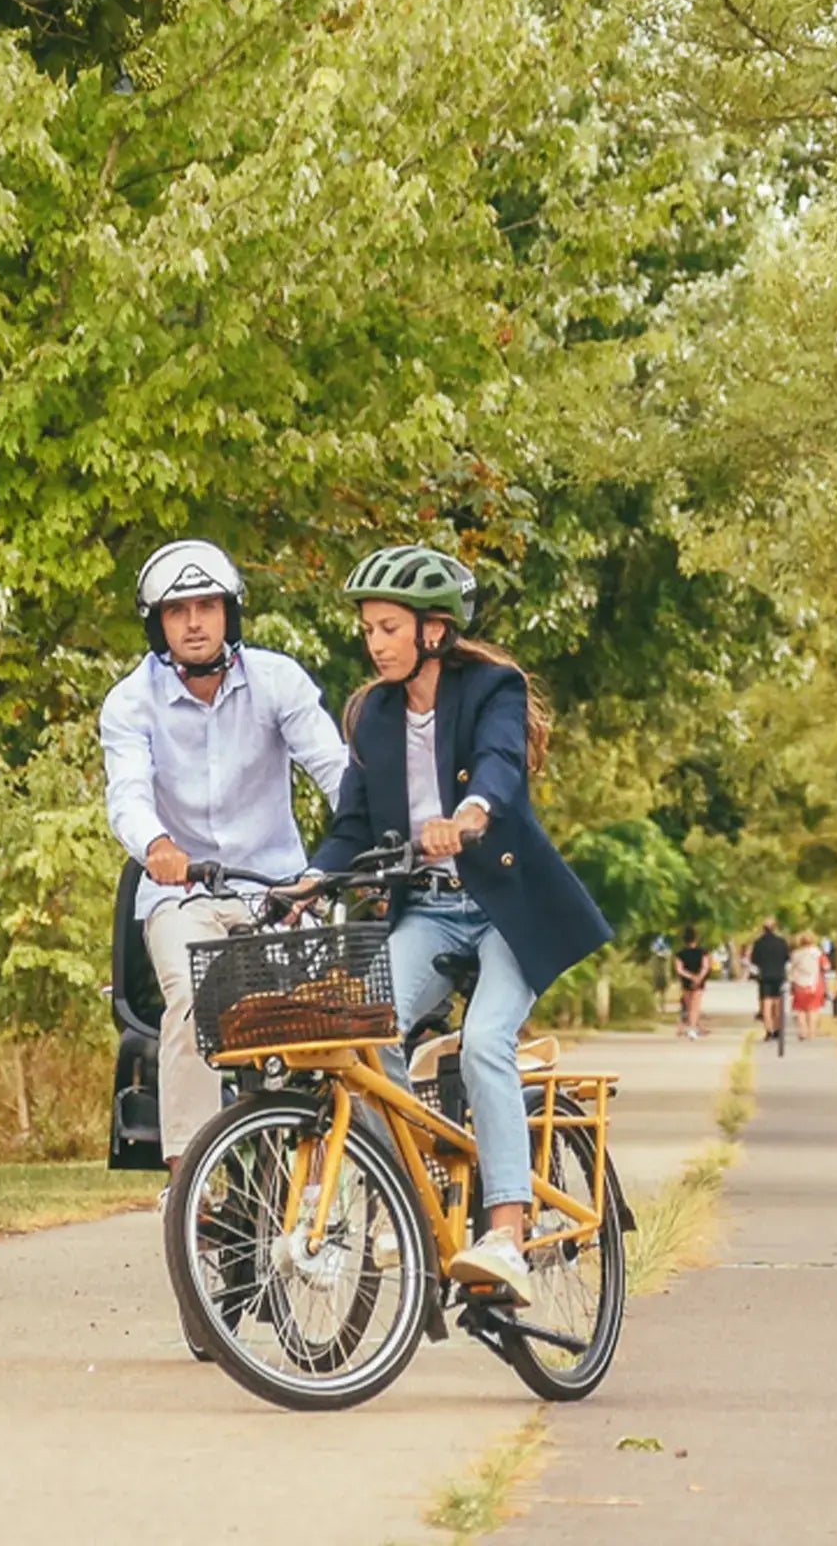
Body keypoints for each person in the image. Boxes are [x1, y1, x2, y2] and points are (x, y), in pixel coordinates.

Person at [297, 544, 612, 1306]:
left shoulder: (490, 688)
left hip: (508, 910)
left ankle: (505, 1230)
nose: (375, 644)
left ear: (433, 632)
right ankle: (418, 1184)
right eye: (369, 629)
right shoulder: (372, 714)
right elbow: (353, 825)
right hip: (430, 913)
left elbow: (501, 763)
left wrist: (469, 815)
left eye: (389, 627)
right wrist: (308, 880)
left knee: (483, 1044)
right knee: (365, 1034)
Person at [99, 540, 347, 1181]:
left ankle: (325, 1172)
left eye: (207, 605)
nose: (194, 623)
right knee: (192, 997)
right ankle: (191, 1181)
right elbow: (126, 794)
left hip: (282, 892)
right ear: (158, 624)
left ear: (230, 613)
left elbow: (336, 769)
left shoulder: (278, 681)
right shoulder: (130, 703)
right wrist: (157, 847)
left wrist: (353, 844)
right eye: (178, 610)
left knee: (331, 1010)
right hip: (183, 897)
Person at [748, 919, 791, 1047]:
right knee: (777, 1003)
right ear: (775, 928)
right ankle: (778, 1029)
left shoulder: (758, 943)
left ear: (763, 928)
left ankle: (769, 1031)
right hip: (779, 975)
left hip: (764, 976)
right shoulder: (781, 942)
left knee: (766, 1003)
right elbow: (787, 959)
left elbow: (754, 961)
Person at [672, 926, 712, 1040]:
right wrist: (698, 977)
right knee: (695, 1006)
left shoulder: (680, 954)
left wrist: (690, 976)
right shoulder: (703, 952)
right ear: (696, 939)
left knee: (689, 1006)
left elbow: (679, 969)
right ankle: (692, 1029)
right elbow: (706, 966)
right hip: (699, 982)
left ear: (684, 940)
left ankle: (691, 1028)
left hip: (686, 982)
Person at [788, 929, 826, 1043]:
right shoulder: (818, 953)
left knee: (800, 1010)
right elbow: (826, 966)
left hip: (799, 984)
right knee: (813, 1009)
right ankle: (812, 1032)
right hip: (814, 984)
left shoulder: (796, 954)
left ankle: (802, 1031)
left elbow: (791, 968)